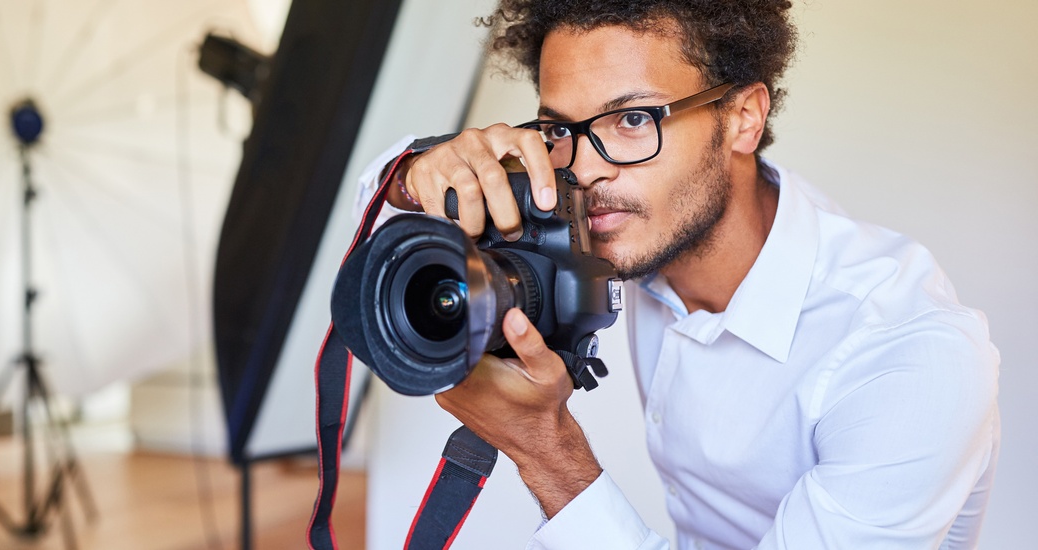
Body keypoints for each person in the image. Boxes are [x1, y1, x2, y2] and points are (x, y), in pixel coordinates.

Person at [355, 1, 1000, 548]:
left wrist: (545, 449)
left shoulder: (908, 356)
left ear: (744, 117)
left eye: (633, 120)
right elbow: (369, 218)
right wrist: (421, 173)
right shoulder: (639, 226)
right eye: (558, 130)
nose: (583, 171)